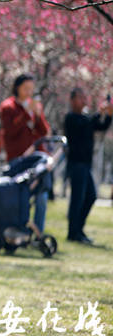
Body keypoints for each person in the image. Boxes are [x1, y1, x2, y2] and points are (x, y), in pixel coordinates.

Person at [0, 74, 51, 234]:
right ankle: (20, 228)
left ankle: (38, 233)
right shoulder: (8, 107)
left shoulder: (33, 105)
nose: (29, 92)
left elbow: (43, 132)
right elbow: (10, 131)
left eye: (31, 89)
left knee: (42, 194)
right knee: (21, 195)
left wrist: (37, 114)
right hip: (18, 157)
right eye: (25, 88)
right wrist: (24, 114)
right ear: (17, 87)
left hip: (36, 158)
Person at [64, 88, 112, 244]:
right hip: (76, 163)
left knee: (90, 196)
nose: (84, 101)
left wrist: (109, 115)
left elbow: (100, 126)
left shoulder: (85, 118)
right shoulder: (71, 118)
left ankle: (79, 229)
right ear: (72, 100)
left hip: (85, 164)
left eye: (85, 97)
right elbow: (87, 124)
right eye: (80, 98)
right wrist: (99, 112)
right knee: (77, 199)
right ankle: (73, 232)